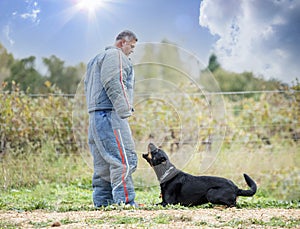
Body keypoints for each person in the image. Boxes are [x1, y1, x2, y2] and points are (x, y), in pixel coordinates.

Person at [84, 30, 138, 207]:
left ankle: (103, 202)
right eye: (131, 46)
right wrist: (125, 110)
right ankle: (126, 202)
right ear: (122, 42)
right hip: (110, 114)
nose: (132, 50)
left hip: (95, 117)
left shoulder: (95, 60)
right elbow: (114, 81)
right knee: (124, 160)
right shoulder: (116, 56)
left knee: (103, 163)